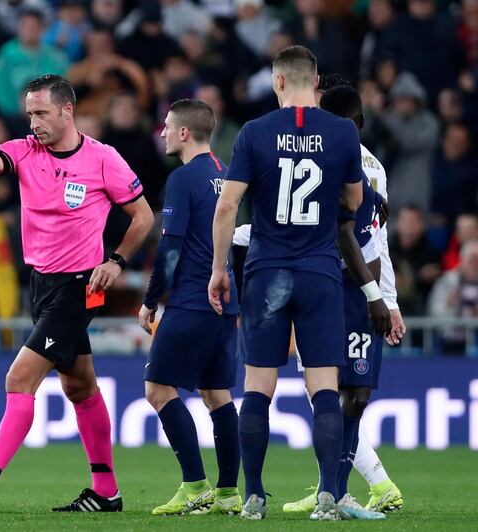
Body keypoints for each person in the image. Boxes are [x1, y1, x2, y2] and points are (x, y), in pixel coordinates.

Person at [0, 74, 153, 514]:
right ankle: (106, 492)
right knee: (80, 387)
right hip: (41, 284)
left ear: (67, 110)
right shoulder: (25, 150)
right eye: (30, 113)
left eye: (42, 113)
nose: (34, 122)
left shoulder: (103, 159)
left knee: (19, 379)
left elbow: (142, 216)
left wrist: (115, 261)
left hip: (80, 287)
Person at [207, 46, 390, 520]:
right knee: (325, 387)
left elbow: (227, 207)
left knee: (257, 389)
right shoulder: (342, 134)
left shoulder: (254, 133)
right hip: (320, 272)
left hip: (267, 271)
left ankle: (253, 496)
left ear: (279, 82)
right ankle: (329, 495)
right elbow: (354, 201)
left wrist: (218, 268)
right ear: (314, 81)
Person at [276, 85, 404, 516]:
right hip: (325, 284)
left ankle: (337, 488)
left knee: (350, 394)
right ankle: (334, 488)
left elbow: (375, 240)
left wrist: (387, 299)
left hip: (352, 288)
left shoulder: (363, 167)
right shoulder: (326, 160)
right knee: (333, 393)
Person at [139, 99, 242, 516]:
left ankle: (195, 486)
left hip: (191, 300)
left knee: (158, 390)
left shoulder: (182, 179)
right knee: (217, 395)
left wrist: (150, 301)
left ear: (184, 133)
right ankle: (229, 492)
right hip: (225, 301)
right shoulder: (226, 174)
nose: (162, 132)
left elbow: (169, 248)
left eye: (167, 126)